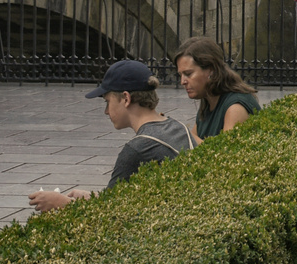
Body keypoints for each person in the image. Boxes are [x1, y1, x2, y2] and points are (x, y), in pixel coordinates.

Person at [28, 61, 193, 213]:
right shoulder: (178, 127)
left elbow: (108, 214)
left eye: (107, 101)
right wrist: (94, 197)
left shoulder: (138, 149)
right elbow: (126, 200)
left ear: (126, 98)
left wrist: (60, 202)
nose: (106, 111)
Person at [174, 36, 262, 142]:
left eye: (188, 74)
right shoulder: (208, 100)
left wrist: (181, 133)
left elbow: (224, 154)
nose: (182, 81)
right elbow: (191, 144)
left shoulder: (235, 107)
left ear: (211, 70)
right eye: (180, 75)